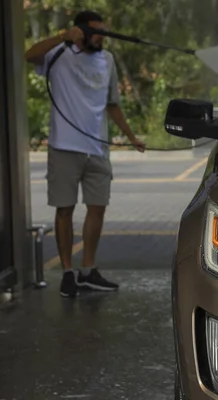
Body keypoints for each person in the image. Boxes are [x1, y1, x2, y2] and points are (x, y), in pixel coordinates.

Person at [25, 10, 146, 298]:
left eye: (104, 31)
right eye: (96, 32)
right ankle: (68, 273)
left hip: (97, 149)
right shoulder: (58, 54)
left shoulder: (107, 60)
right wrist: (61, 37)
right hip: (65, 147)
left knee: (97, 207)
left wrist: (132, 138)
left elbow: (112, 104)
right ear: (79, 32)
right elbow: (30, 55)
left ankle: (88, 269)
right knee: (64, 209)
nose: (101, 37)